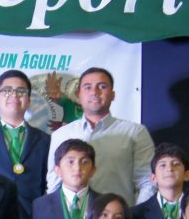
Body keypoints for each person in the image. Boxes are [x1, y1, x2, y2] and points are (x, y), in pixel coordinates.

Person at [46, 67, 155, 204]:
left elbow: (147, 181)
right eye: (87, 87)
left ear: (113, 94)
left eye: (102, 86)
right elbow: (54, 183)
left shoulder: (134, 132)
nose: (94, 92)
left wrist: (133, 216)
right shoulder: (61, 134)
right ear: (79, 94)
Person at [0, 69, 50, 218]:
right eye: (7, 91)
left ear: (28, 100)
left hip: (32, 218)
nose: (14, 95)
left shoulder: (45, 140)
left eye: (21, 91)